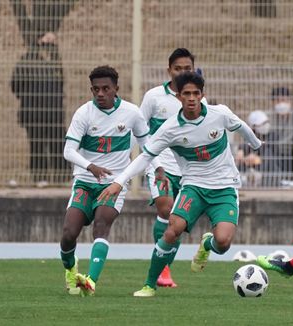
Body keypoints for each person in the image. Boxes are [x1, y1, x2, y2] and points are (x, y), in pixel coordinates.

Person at [98, 72, 262, 297]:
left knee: (223, 244)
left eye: (196, 93)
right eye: (187, 93)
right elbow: (145, 156)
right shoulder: (170, 128)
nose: (192, 98)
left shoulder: (219, 114)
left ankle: (207, 244)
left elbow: (240, 125)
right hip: (193, 187)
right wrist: (118, 181)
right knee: (173, 229)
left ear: (202, 95)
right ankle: (149, 284)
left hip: (224, 187)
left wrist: (255, 142)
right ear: (178, 96)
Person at [59, 66, 150, 296]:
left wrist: (157, 170)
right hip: (84, 181)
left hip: (113, 184)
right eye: (96, 89)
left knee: (101, 224)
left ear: (116, 89)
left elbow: (149, 147)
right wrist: (91, 166)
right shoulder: (84, 113)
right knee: (69, 233)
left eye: (105, 88)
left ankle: (91, 281)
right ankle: (71, 270)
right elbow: (68, 151)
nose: (100, 93)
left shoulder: (132, 113)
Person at [140, 48, 200, 288]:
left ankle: (165, 264)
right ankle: (163, 270)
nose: (183, 72)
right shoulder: (154, 97)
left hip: (187, 169)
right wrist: (154, 163)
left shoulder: (197, 99)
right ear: (169, 70)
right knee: (165, 210)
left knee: (178, 222)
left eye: (187, 68)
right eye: (178, 68)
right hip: (160, 165)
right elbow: (140, 130)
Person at [10, 0, 77, 185]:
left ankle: (62, 177)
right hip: (33, 112)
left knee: (57, 144)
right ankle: (40, 177)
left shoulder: (53, 61)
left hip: (53, 112)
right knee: (37, 146)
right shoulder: (28, 60)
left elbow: (61, 81)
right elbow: (15, 85)